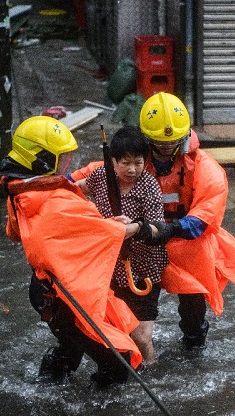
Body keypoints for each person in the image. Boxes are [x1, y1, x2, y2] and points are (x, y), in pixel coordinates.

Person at [79, 92, 235, 350]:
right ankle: (130, 347)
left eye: (172, 143)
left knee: (193, 308)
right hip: (140, 244)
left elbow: (206, 216)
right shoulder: (132, 159)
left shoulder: (205, 167)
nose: (167, 149)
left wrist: (169, 229)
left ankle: (193, 346)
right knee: (127, 306)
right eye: (160, 143)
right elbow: (88, 177)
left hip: (185, 242)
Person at [0, 115, 147, 387]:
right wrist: (136, 227)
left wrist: (100, 226)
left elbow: (16, 233)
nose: (69, 165)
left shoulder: (21, 192)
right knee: (118, 360)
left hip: (45, 288)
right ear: (43, 160)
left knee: (71, 348)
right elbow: (94, 232)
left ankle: (46, 388)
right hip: (63, 296)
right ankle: (95, 402)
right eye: (63, 159)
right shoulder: (54, 200)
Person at [75, 125, 168, 365]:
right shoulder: (100, 176)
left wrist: (134, 227)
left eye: (138, 162)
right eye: (125, 163)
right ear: (113, 161)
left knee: (141, 335)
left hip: (144, 270)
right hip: (110, 268)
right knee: (117, 332)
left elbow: (157, 227)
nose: (132, 169)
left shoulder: (149, 187)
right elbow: (75, 189)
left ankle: (150, 371)